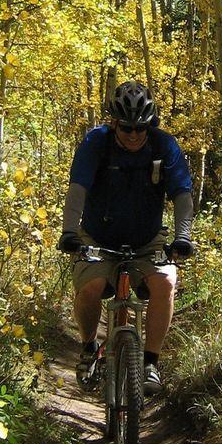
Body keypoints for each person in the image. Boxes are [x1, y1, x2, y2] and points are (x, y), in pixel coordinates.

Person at [58, 81, 195, 394]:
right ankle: (90, 347)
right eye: (127, 128)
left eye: (140, 128)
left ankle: (149, 363)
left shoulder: (163, 147)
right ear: (114, 123)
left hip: (147, 239)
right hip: (97, 236)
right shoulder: (97, 143)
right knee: (91, 287)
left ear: (150, 125)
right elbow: (77, 190)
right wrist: (69, 232)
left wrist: (183, 236)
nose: (134, 135)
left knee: (166, 282)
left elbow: (182, 194)